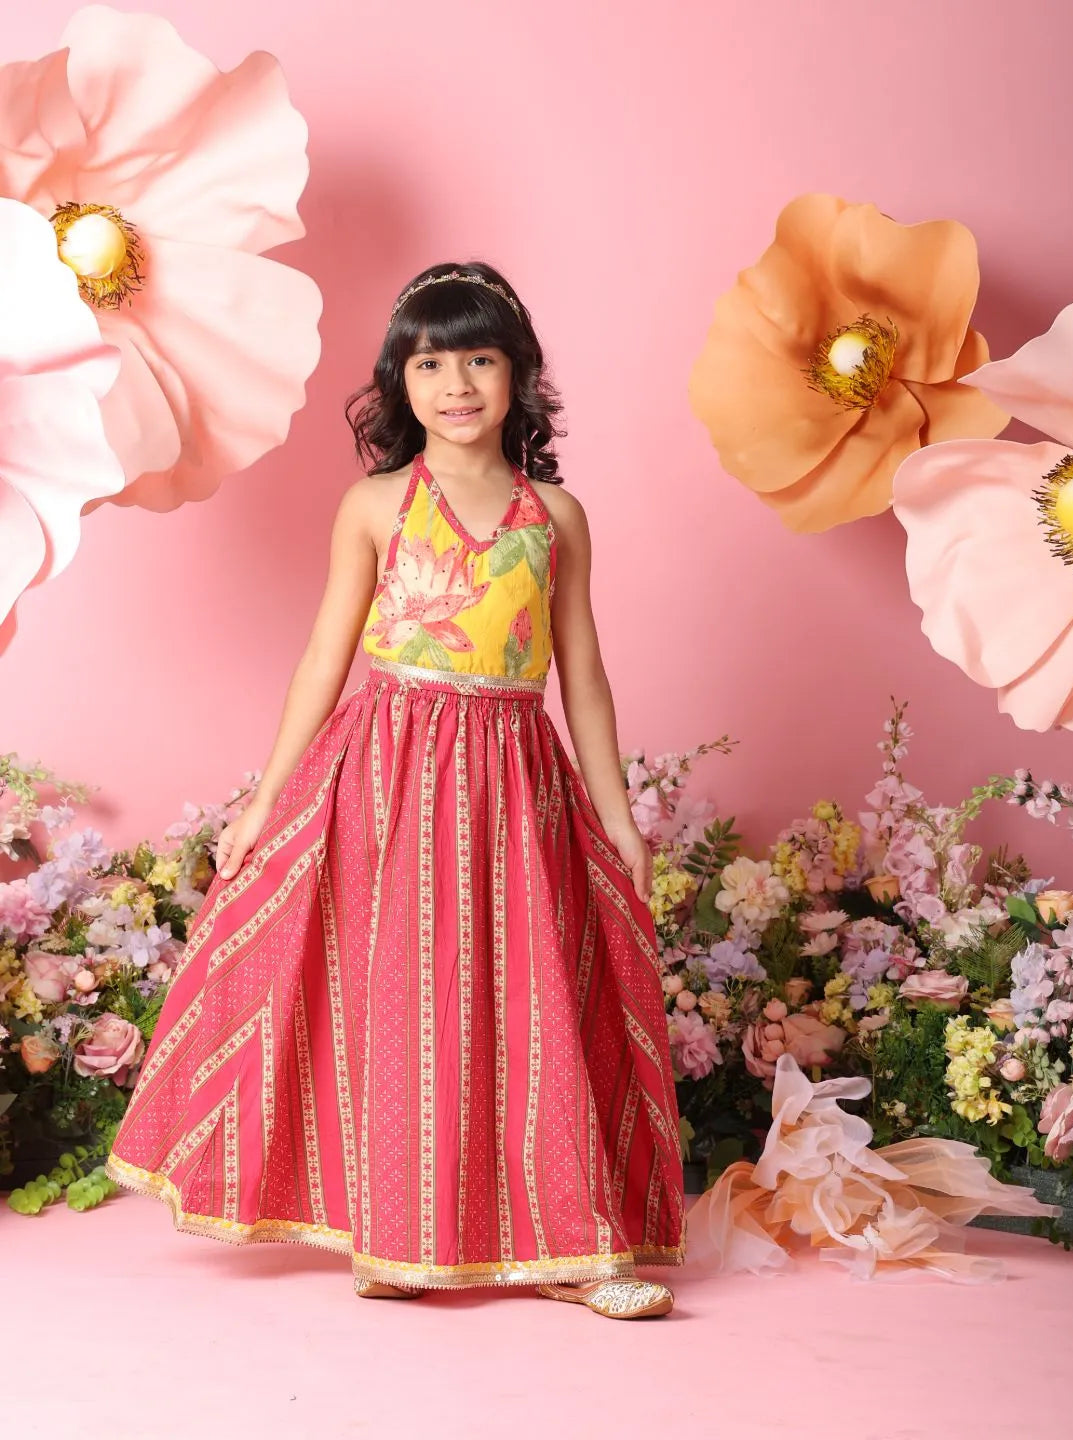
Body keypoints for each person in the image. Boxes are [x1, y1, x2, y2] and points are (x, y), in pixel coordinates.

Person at [105, 260, 685, 1320]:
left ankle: (572, 1242)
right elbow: (323, 660)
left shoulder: (554, 514)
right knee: (395, 1007)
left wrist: (618, 817)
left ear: (518, 377)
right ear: (398, 382)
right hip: (385, 777)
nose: (456, 383)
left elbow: (585, 678)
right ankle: (397, 1237)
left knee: (531, 999)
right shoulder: (376, 505)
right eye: (430, 362)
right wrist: (262, 799)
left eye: (479, 358)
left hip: (514, 782)